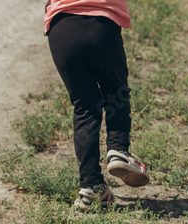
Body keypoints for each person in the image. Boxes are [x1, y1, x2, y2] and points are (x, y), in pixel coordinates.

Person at [44, 0, 150, 211]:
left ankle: (91, 186)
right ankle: (118, 149)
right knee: (116, 93)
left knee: (85, 108)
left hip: (61, 28)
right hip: (102, 24)